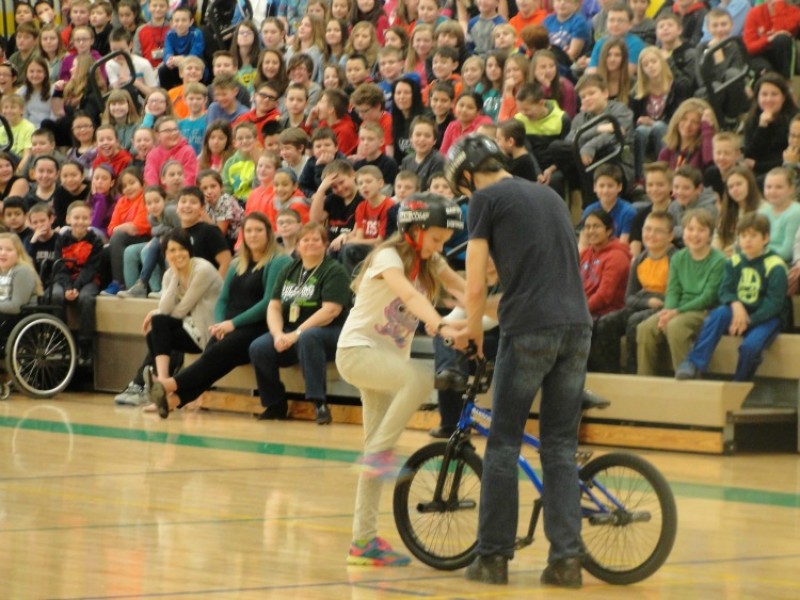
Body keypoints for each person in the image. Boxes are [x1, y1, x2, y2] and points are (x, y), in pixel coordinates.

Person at [446, 134, 591, 588]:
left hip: (530, 328)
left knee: (504, 444)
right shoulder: (548, 195)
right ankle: (566, 561)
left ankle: (492, 558)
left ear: (467, 176)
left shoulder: (484, 200)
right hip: (578, 326)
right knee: (559, 447)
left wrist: (472, 331)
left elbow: (474, 284)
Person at [336, 193, 468, 566]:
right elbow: (409, 296)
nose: (440, 246)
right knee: (420, 378)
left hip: (386, 361)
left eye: (444, 240)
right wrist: (440, 324)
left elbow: (463, 290)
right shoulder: (388, 257)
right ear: (415, 229)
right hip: (358, 352)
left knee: (374, 453)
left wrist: (493, 310)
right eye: (437, 239)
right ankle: (379, 455)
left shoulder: (431, 261)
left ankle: (362, 542)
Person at [147, 213, 290, 416]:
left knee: (216, 355)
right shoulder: (237, 262)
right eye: (249, 230)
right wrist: (222, 324)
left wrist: (233, 324)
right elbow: (222, 299)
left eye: (259, 230)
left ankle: (167, 385)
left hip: (260, 326)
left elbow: (268, 302)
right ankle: (174, 401)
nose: (253, 235)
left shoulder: (279, 261)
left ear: (269, 233)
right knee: (212, 360)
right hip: (230, 326)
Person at [250, 222, 352, 424]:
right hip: (293, 332)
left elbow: (331, 311)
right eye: (305, 240)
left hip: (331, 332)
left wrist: (296, 334)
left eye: (316, 239)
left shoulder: (335, 271)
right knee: (259, 347)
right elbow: (274, 307)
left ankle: (319, 403)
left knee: (309, 337)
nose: (310, 243)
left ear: (325, 244)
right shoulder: (289, 269)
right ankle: (275, 404)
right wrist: (278, 334)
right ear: (297, 245)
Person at [676, 212, 788, 381]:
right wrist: (736, 305)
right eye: (743, 236)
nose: (747, 241)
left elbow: (774, 303)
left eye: (753, 236)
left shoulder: (775, 265)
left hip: (767, 318)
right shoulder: (734, 261)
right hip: (739, 312)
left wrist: (748, 321)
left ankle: (739, 382)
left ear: (765, 238)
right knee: (718, 314)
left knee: (750, 347)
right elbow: (725, 291)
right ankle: (693, 363)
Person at [143, 229, 223, 418]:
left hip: (208, 331)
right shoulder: (169, 275)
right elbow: (165, 307)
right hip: (188, 327)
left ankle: (162, 385)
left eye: (181, 249)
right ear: (165, 254)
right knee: (153, 332)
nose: (177, 254)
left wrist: (155, 313)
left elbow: (180, 310)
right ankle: (163, 387)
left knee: (158, 321)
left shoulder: (203, 270)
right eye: (172, 250)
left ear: (189, 250)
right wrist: (174, 276)